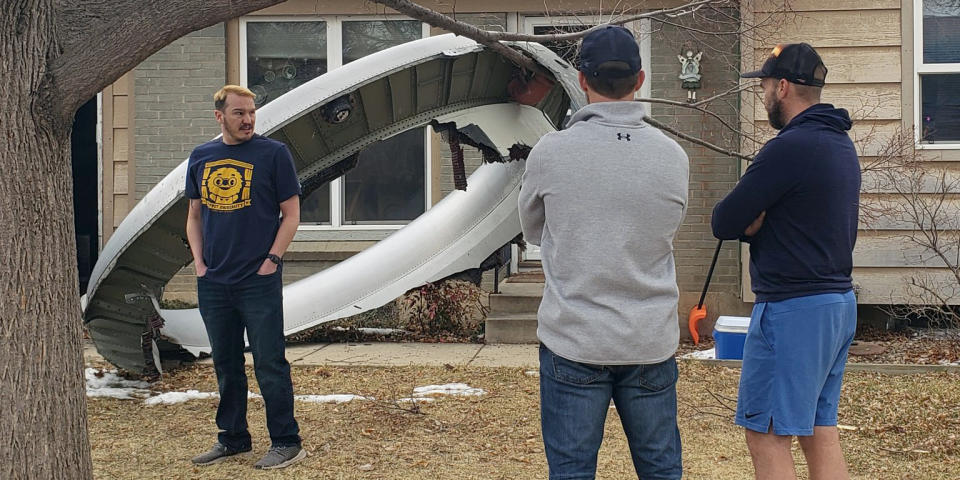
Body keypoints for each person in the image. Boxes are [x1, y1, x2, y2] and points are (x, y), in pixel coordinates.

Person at [519, 25, 689, 480]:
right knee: (661, 470)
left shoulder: (551, 153)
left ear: (581, 80)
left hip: (575, 338)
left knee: (571, 471)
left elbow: (533, 232)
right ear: (640, 80)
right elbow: (667, 228)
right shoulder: (673, 156)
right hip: (649, 339)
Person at [712, 43, 860, 480]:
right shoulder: (839, 143)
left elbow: (724, 219)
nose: (762, 96)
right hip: (836, 304)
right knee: (819, 430)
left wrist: (754, 223)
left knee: (767, 434)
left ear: (781, 87)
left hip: (792, 310)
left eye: (763, 87)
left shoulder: (789, 148)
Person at [185, 85, 305, 470]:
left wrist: (272, 260)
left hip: (258, 279)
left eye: (252, 112)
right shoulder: (202, 157)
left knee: (270, 363)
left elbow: (291, 214)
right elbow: (194, 216)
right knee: (226, 363)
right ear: (219, 116)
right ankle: (233, 439)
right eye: (239, 113)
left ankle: (287, 441)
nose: (248, 119)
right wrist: (200, 266)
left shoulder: (274, 154)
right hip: (215, 282)